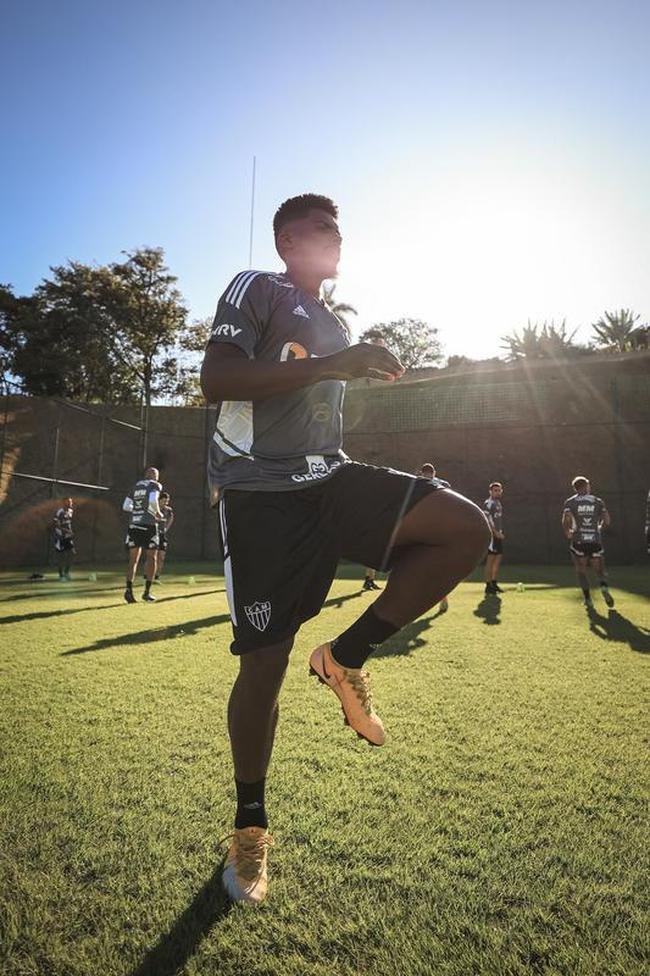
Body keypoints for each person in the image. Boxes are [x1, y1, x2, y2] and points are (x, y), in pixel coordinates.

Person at [200, 192, 490, 905]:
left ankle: (347, 654)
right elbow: (219, 379)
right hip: (261, 496)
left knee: (465, 528)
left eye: (338, 229)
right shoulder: (257, 288)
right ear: (286, 242)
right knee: (262, 669)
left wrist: (348, 361)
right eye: (318, 229)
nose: (333, 238)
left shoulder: (335, 321)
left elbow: (311, 416)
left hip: (328, 478)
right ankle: (250, 827)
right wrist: (334, 365)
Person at [562, 476, 614, 608]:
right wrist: (600, 527)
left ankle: (588, 599)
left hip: (579, 541)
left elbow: (566, 518)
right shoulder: (597, 501)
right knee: (600, 571)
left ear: (575, 488)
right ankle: (604, 591)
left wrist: (567, 531)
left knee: (581, 571)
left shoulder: (570, 502)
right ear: (586, 486)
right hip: (595, 541)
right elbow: (607, 520)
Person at [122, 467, 163, 603]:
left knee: (133, 560)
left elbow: (126, 506)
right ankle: (146, 592)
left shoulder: (135, 487)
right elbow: (153, 500)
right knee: (152, 557)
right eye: (157, 475)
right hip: (149, 525)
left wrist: (137, 511)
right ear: (153, 476)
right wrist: (156, 512)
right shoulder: (154, 485)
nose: (157, 478)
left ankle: (128, 590)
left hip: (134, 524)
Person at [418, 463, 451, 610]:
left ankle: (442, 598)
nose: (427, 476)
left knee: (437, 566)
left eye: (428, 474)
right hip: (425, 530)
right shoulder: (416, 483)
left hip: (435, 530)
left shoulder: (440, 484)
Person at [483, 482, 505, 595]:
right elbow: (486, 519)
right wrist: (495, 533)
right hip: (492, 536)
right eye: (495, 490)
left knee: (498, 559)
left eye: (499, 490)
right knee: (490, 560)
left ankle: (493, 582)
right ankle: (488, 585)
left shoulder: (498, 503)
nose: (497, 492)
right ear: (490, 491)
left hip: (498, 535)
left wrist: (500, 532)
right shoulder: (489, 503)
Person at [53, 496, 75, 580]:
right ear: (64, 503)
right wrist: (66, 531)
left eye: (71, 502)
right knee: (61, 556)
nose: (71, 503)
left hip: (68, 537)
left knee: (72, 554)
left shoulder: (70, 511)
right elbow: (56, 525)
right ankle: (61, 575)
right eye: (69, 502)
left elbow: (68, 523)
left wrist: (70, 532)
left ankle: (66, 573)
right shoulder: (59, 512)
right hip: (60, 536)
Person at [155, 492, 174, 580]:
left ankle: (157, 576)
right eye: (164, 501)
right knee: (152, 556)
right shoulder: (154, 508)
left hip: (162, 535)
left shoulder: (168, 510)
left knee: (161, 557)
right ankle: (147, 576)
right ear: (159, 500)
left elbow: (171, 518)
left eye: (167, 501)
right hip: (154, 535)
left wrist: (166, 527)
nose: (165, 503)